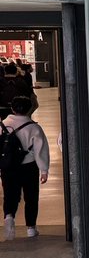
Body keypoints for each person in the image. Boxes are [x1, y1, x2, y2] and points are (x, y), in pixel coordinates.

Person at [2, 96, 50, 240]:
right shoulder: (34, 128)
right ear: (29, 109)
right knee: (31, 197)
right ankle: (31, 228)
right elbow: (41, 150)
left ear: (12, 109)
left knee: (10, 194)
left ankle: (9, 216)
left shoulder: (2, 125)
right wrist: (44, 170)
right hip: (29, 166)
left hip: (8, 167)